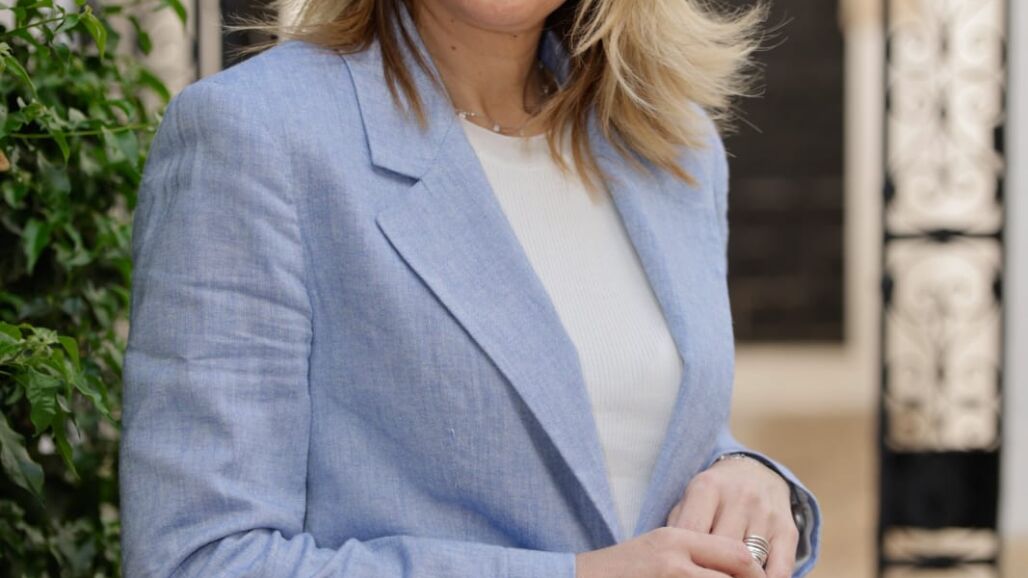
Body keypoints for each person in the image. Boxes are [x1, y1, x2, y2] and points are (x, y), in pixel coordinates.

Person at [119, 0, 822, 576]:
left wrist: (749, 477)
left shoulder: (671, 143)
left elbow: (627, 432)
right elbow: (200, 559)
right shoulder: (254, 135)